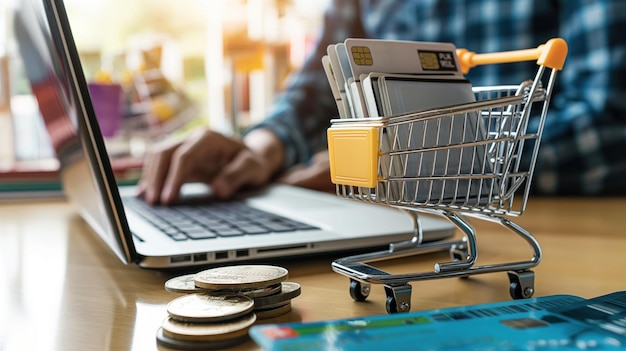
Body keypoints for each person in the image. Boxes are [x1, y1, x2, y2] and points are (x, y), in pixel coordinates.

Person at [138, 0, 626, 205]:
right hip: (388, 208)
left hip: (556, 212)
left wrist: (394, 163)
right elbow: (325, 76)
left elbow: (610, 124)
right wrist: (262, 147)